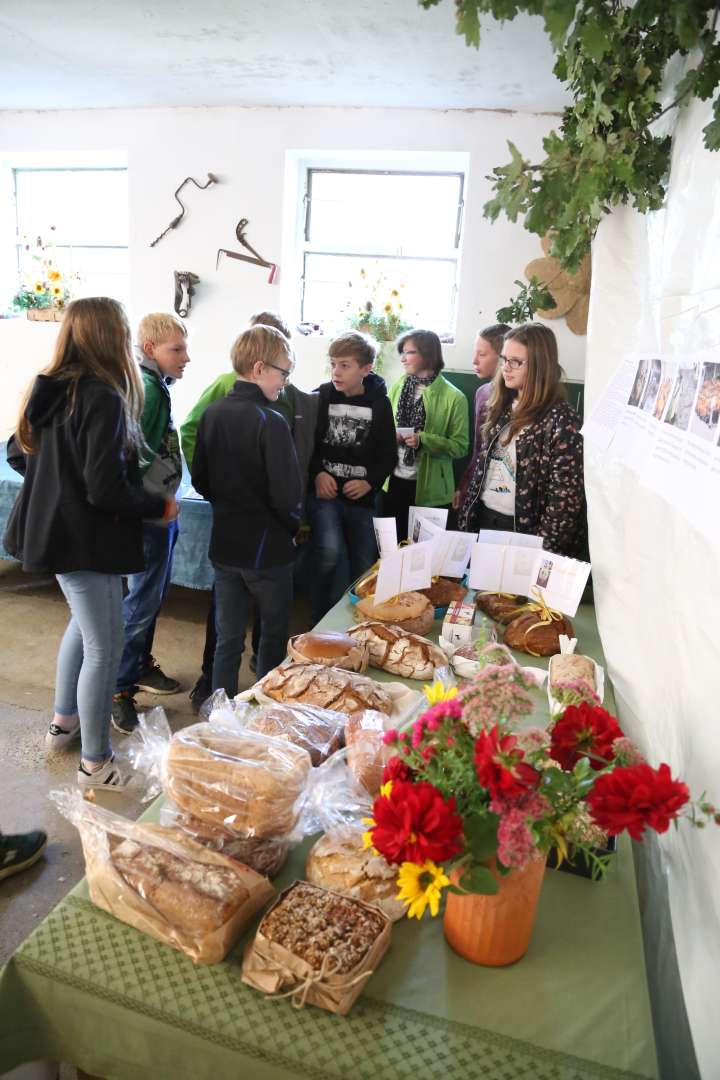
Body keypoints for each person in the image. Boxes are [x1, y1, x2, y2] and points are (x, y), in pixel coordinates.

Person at [4, 297, 176, 790]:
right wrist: (156, 506)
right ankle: (96, 763)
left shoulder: (51, 385)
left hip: (56, 533)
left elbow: (20, 452)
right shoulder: (101, 394)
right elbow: (106, 489)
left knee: (84, 627)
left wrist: (55, 487)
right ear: (111, 337)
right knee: (105, 646)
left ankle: (65, 724)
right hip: (86, 540)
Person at [180, 311, 318, 710]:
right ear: (259, 369)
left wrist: (229, 504)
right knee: (272, 635)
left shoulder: (212, 413)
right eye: (283, 373)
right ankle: (263, 713)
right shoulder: (270, 421)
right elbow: (288, 494)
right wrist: (290, 526)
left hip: (225, 546)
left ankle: (221, 712)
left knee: (227, 637)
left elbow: (201, 478)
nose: (285, 381)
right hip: (268, 549)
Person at [111, 312, 189, 734]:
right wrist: (156, 504)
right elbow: (137, 457)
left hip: (161, 508)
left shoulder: (156, 385)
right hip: (152, 514)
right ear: (149, 350)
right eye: (176, 349)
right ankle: (118, 689)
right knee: (141, 601)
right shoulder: (151, 392)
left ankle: (138, 665)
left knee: (151, 595)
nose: (186, 357)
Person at [457, 322, 586, 557]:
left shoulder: (562, 420)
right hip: (485, 518)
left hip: (524, 533)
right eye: (504, 359)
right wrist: (468, 518)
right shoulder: (500, 404)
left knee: (508, 595)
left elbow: (564, 502)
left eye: (515, 361)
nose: (506, 368)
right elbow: (482, 469)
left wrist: (541, 552)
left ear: (539, 365)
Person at [307, 330, 396, 622]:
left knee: (363, 562)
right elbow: (307, 444)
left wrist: (370, 481)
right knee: (329, 552)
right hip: (325, 495)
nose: (336, 371)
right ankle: (319, 620)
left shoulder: (380, 404)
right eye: (333, 364)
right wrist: (318, 473)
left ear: (365, 368)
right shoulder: (321, 395)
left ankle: (357, 622)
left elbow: (387, 454)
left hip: (362, 498)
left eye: (345, 365)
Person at [383, 329, 469, 541]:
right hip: (393, 483)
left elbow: (460, 446)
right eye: (402, 352)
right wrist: (390, 436)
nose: (403, 359)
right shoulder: (398, 386)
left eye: (409, 352)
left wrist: (424, 440)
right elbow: (384, 426)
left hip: (431, 493)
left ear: (428, 354)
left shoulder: (454, 397)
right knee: (390, 552)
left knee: (424, 558)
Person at [453, 322, 511, 512]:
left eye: (482, 354)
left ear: (503, 357)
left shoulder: (520, 398)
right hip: (480, 491)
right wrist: (464, 486)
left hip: (508, 500)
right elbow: (479, 450)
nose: (474, 361)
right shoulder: (482, 393)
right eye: (475, 353)